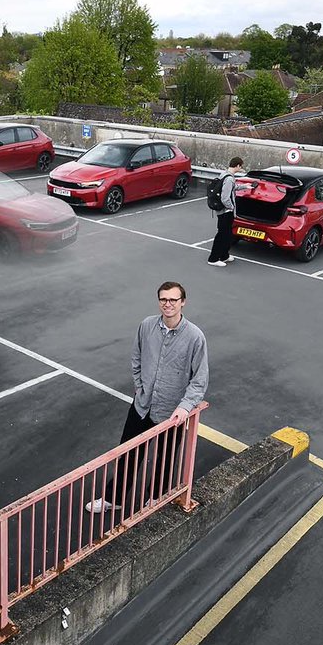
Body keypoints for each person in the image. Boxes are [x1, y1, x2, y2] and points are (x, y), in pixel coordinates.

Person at [86, 281, 209, 514]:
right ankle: (115, 498)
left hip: (171, 412)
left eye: (173, 299)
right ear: (159, 301)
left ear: (183, 302)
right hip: (142, 405)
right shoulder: (147, 326)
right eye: (163, 299)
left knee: (164, 460)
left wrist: (184, 407)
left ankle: (154, 500)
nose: (168, 304)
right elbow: (136, 358)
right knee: (128, 453)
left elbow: (199, 379)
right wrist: (140, 386)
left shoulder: (195, 337)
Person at [207, 157, 245, 267]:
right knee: (222, 235)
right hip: (225, 212)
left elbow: (232, 188)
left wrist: (245, 186)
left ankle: (224, 255)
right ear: (237, 166)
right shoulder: (229, 179)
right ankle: (213, 258)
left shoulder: (225, 174)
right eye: (241, 166)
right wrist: (231, 207)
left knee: (228, 235)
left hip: (225, 212)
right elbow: (225, 198)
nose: (241, 168)